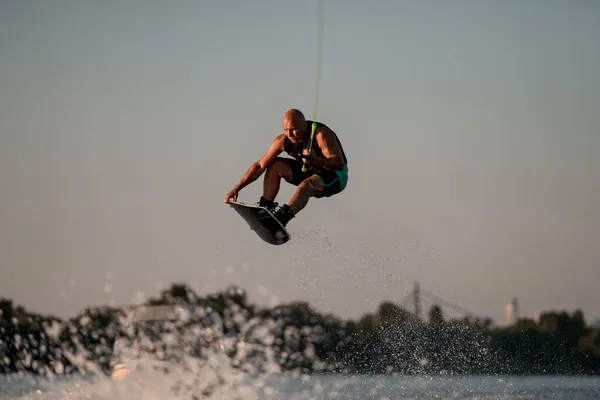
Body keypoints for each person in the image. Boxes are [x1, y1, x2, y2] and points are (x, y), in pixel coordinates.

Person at [224, 108, 348, 227]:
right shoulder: (282, 140)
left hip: (335, 175)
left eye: (294, 129)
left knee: (306, 185)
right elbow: (260, 166)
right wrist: (237, 188)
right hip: (309, 170)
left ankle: (283, 218)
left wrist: (315, 159)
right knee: (274, 164)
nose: (289, 134)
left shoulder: (321, 135)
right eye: (286, 129)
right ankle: (266, 207)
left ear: (304, 125)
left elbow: (339, 164)